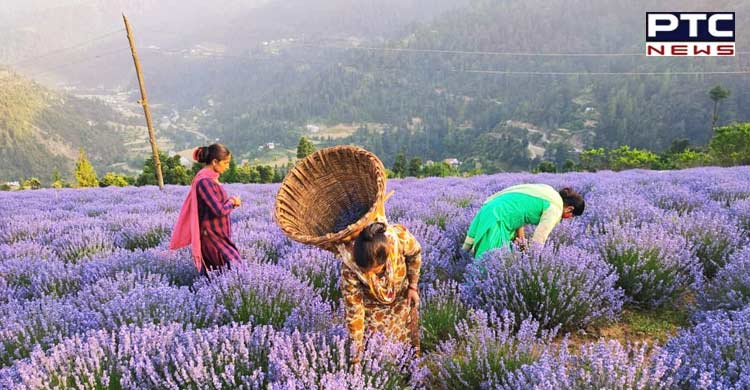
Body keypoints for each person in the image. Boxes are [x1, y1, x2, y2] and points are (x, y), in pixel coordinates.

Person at [337, 221, 422, 360]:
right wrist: (356, 354)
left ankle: (410, 371)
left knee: (407, 342)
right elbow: (354, 310)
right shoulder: (350, 267)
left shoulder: (399, 238)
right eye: (365, 272)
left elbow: (415, 254)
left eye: (375, 271)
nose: (370, 276)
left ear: (385, 260)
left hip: (401, 299)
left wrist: (413, 286)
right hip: (373, 311)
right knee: (376, 350)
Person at [170, 143, 242, 274]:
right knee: (232, 270)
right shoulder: (204, 182)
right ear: (215, 162)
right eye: (225, 163)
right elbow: (219, 210)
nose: (227, 166)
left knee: (222, 273)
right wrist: (232, 202)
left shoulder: (211, 179)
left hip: (219, 235)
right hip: (212, 237)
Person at [462, 184, 585, 259]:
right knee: (489, 261)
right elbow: (539, 238)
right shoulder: (556, 208)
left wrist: (522, 241)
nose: (567, 219)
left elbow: (520, 211)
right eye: (571, 216)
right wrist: (533, 261)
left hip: (493, 209)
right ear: (570, 208)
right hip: (498, 217)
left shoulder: (549, 192)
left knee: (500, 259)